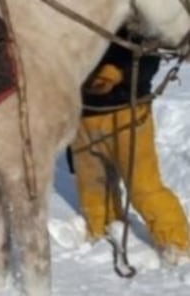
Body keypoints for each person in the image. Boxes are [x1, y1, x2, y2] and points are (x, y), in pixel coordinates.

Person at [69, 28, 189, 264]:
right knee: (92, 186)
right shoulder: (80, 13)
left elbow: (149, 59)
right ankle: (102, 231)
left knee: (144, 187)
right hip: (83, 116)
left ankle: (178, 244)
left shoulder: (140, 18)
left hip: (128, 113)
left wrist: (118, 72)